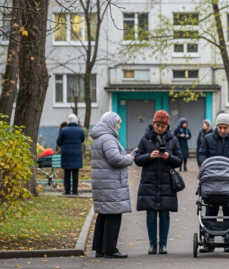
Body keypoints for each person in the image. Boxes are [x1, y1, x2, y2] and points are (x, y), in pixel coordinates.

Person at [196, 113, 229, 253]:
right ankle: (209, 240)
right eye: (220, 127)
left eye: (225, 127)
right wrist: (206, 164)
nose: (223, 130)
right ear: (217, 127)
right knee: (211, 210)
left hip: (228, 183)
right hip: (211, 181)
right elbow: (201, 155)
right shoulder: (208, 139)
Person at [135, 110, 183, 255]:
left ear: (167, 126)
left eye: (163, 125)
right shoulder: (145, 139)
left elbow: (179, 160)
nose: (160, 128)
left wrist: (168, 157)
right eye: (157, 125)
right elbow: (137, 159)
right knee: (150, 214)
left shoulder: (173, 140)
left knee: (164, 214)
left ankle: (163, 244)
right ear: (153, 123)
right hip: (149, 182)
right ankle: (152, 244)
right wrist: (149, 156)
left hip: (166, 182)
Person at [90, 112, 135, 259]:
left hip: (103, 182)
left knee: (104, 213)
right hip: (111, 183)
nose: (119, 126)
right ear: (110, 123)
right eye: (117, 123)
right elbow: (115, 159)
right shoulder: (108, 138)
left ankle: (100, 248)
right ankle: (109, 249)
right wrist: (130, 157)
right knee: (113, 214)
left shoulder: (99, 137)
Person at [56, 114, 86, 196]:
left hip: (66, 154)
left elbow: (58, 142)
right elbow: (82, 139)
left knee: (67, 173)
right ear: (76, 120)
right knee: (75, 173)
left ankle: (67, 191)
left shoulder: (64, 130)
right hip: (77, 153)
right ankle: (75, 191)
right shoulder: (80, 130)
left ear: (68, 121)